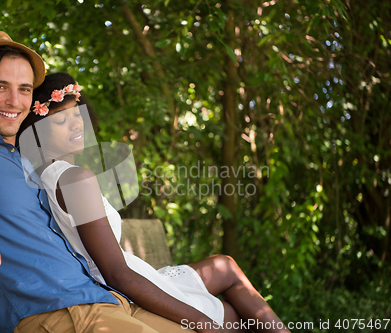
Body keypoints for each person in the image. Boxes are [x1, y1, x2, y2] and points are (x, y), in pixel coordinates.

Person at [0, 31, 222, 333]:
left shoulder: (23, 158)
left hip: (106, 302)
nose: (14, 100)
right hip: (52, 314)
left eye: (23, 90)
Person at [17, 72, 292, 333]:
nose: (76, 123)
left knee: (225, 265)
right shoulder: (74, 178)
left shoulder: (52, 174)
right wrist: (199, 320)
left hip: (130, 271)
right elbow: (116, 273)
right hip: (122, 284)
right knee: (231, 315)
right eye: (60, 119)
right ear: (38, 129)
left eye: (77, 113)